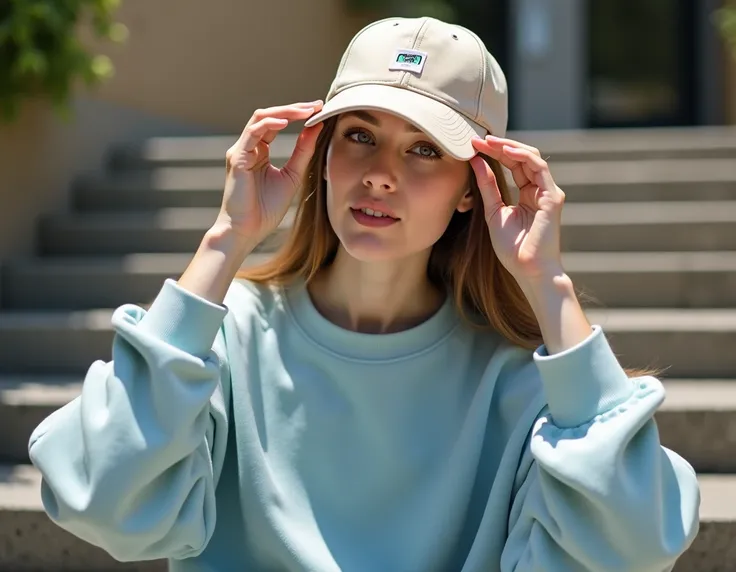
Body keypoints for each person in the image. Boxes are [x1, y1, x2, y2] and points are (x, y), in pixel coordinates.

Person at [28, 16, 699, 572]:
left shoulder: (520, 386)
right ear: (321, 153)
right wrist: (226, 239)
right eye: (360, 135)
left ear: (475, 187)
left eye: (425, 150)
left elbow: (634, 547)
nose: (381, 175)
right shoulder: (222, 340)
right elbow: (100, 500)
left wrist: (547, 284)